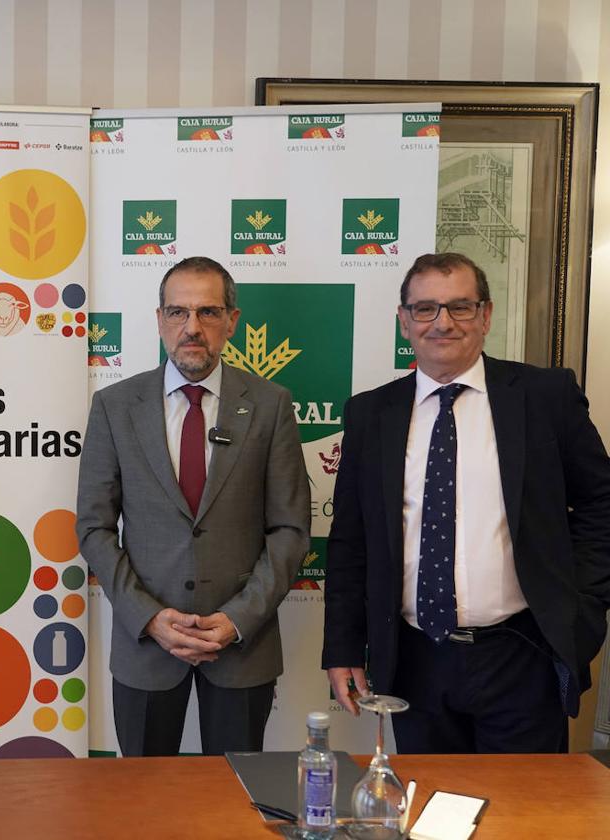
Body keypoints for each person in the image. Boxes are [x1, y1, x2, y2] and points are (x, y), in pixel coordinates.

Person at [323, 252, 610, 753]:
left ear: (486, 315)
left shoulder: (545, 396)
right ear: (404, 321)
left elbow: (601, 506)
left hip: (522, 652)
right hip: (414, 661)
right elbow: (351, 540)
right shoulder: (371, 413)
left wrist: (578, 609)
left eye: (460, 307)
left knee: (523, 822)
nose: (443, 323)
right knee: (431, 819)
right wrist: (344, 645)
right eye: (426, 308)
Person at [76, 256, 310, 755]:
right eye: (178, 313)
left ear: (232, 321)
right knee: (141, 806)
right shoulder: (115, 407)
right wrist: (150, 617)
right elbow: (94, 528)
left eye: (207, 312)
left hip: (242, 648)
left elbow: (290, 530)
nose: (192, 329)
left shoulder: (270, 405)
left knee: (235, 805)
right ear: (160, 320)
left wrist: (236, 620)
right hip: (145, 647)